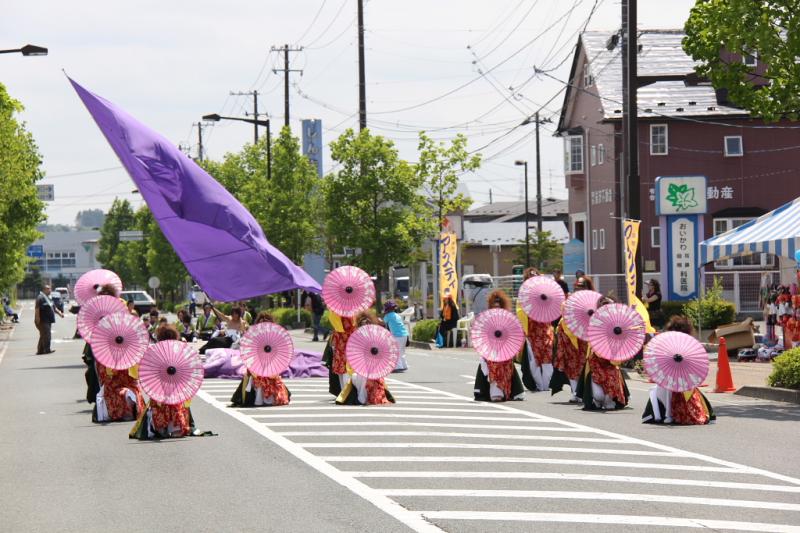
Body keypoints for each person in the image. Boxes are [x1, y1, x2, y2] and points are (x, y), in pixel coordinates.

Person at [130, 324, 208, 439]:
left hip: (159, 390)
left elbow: (144, 370)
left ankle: (161, 427)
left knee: (158, 405)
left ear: (160, 337)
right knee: (177, 404)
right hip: (176, 389)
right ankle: (177, 427)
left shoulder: (154, 351)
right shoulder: (181, 350)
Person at [642, 316, 715, 425]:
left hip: (669, 380)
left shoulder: (666, 345)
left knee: (664, 390)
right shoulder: (691, 346)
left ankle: (667, 414)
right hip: (686, 382)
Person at [575, 295, 630, 410]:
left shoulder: (618, 326)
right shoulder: (595, 324)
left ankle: (609, 398)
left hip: (611, 364)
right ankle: (597, 399)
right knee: (598, 396)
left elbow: (619, 355)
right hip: (596, 363)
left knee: (609, 402)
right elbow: (594, 347)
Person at [230, 312, 292, 407]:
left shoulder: (273, 336)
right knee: (255, 375)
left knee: (268, 375)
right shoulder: (255, 335)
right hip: (257, 363)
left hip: (269, 363)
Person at [474, 289, 525, 402]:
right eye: (494, 307)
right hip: (491, 349)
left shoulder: (508, 318)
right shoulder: (487, 319)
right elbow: (482, 334)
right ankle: (495, 393)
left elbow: (513, 333)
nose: (496, 309)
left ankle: (505, 391)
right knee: (493, 368)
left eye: (498, 307)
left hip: (504, 349)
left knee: (506, 370)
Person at [335, 311, 395, 405]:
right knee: (359, 377)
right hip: (365, 367)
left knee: (362, 378)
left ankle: (363, 398)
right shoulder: (361, 337)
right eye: (363, 325)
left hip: (371, 367)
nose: (365, 327)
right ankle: (363, 397)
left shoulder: (370, 337)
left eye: (367, 325)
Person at [516, 269, 555, 393]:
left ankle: (546, 384)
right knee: (534, 358)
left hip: (545, 329)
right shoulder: (524, 296)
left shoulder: (546, 292)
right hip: (531, 331)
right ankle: (539, 384)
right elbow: (520, 312)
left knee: (547, 356)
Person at [35, 284, 63, 355]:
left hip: (48, 320)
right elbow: (37, 309)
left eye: (50, 289)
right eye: (48, 289)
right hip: (42, 320)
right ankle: (47, 349)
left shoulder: (49, 298)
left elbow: (54, 307)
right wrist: (37, 318)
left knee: (43, 335)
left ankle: (40, 350)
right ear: (44, 290)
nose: (50, 290)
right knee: (47, 334)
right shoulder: (40, 298)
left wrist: (60, 313)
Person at [383, 300, 409, 372]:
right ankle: (404, 365)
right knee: (401, 351)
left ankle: (397, 367)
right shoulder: (397, 315)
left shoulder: (388, 316)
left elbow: (383, 323)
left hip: (397, 336)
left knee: (395, 351)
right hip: (404, 335)